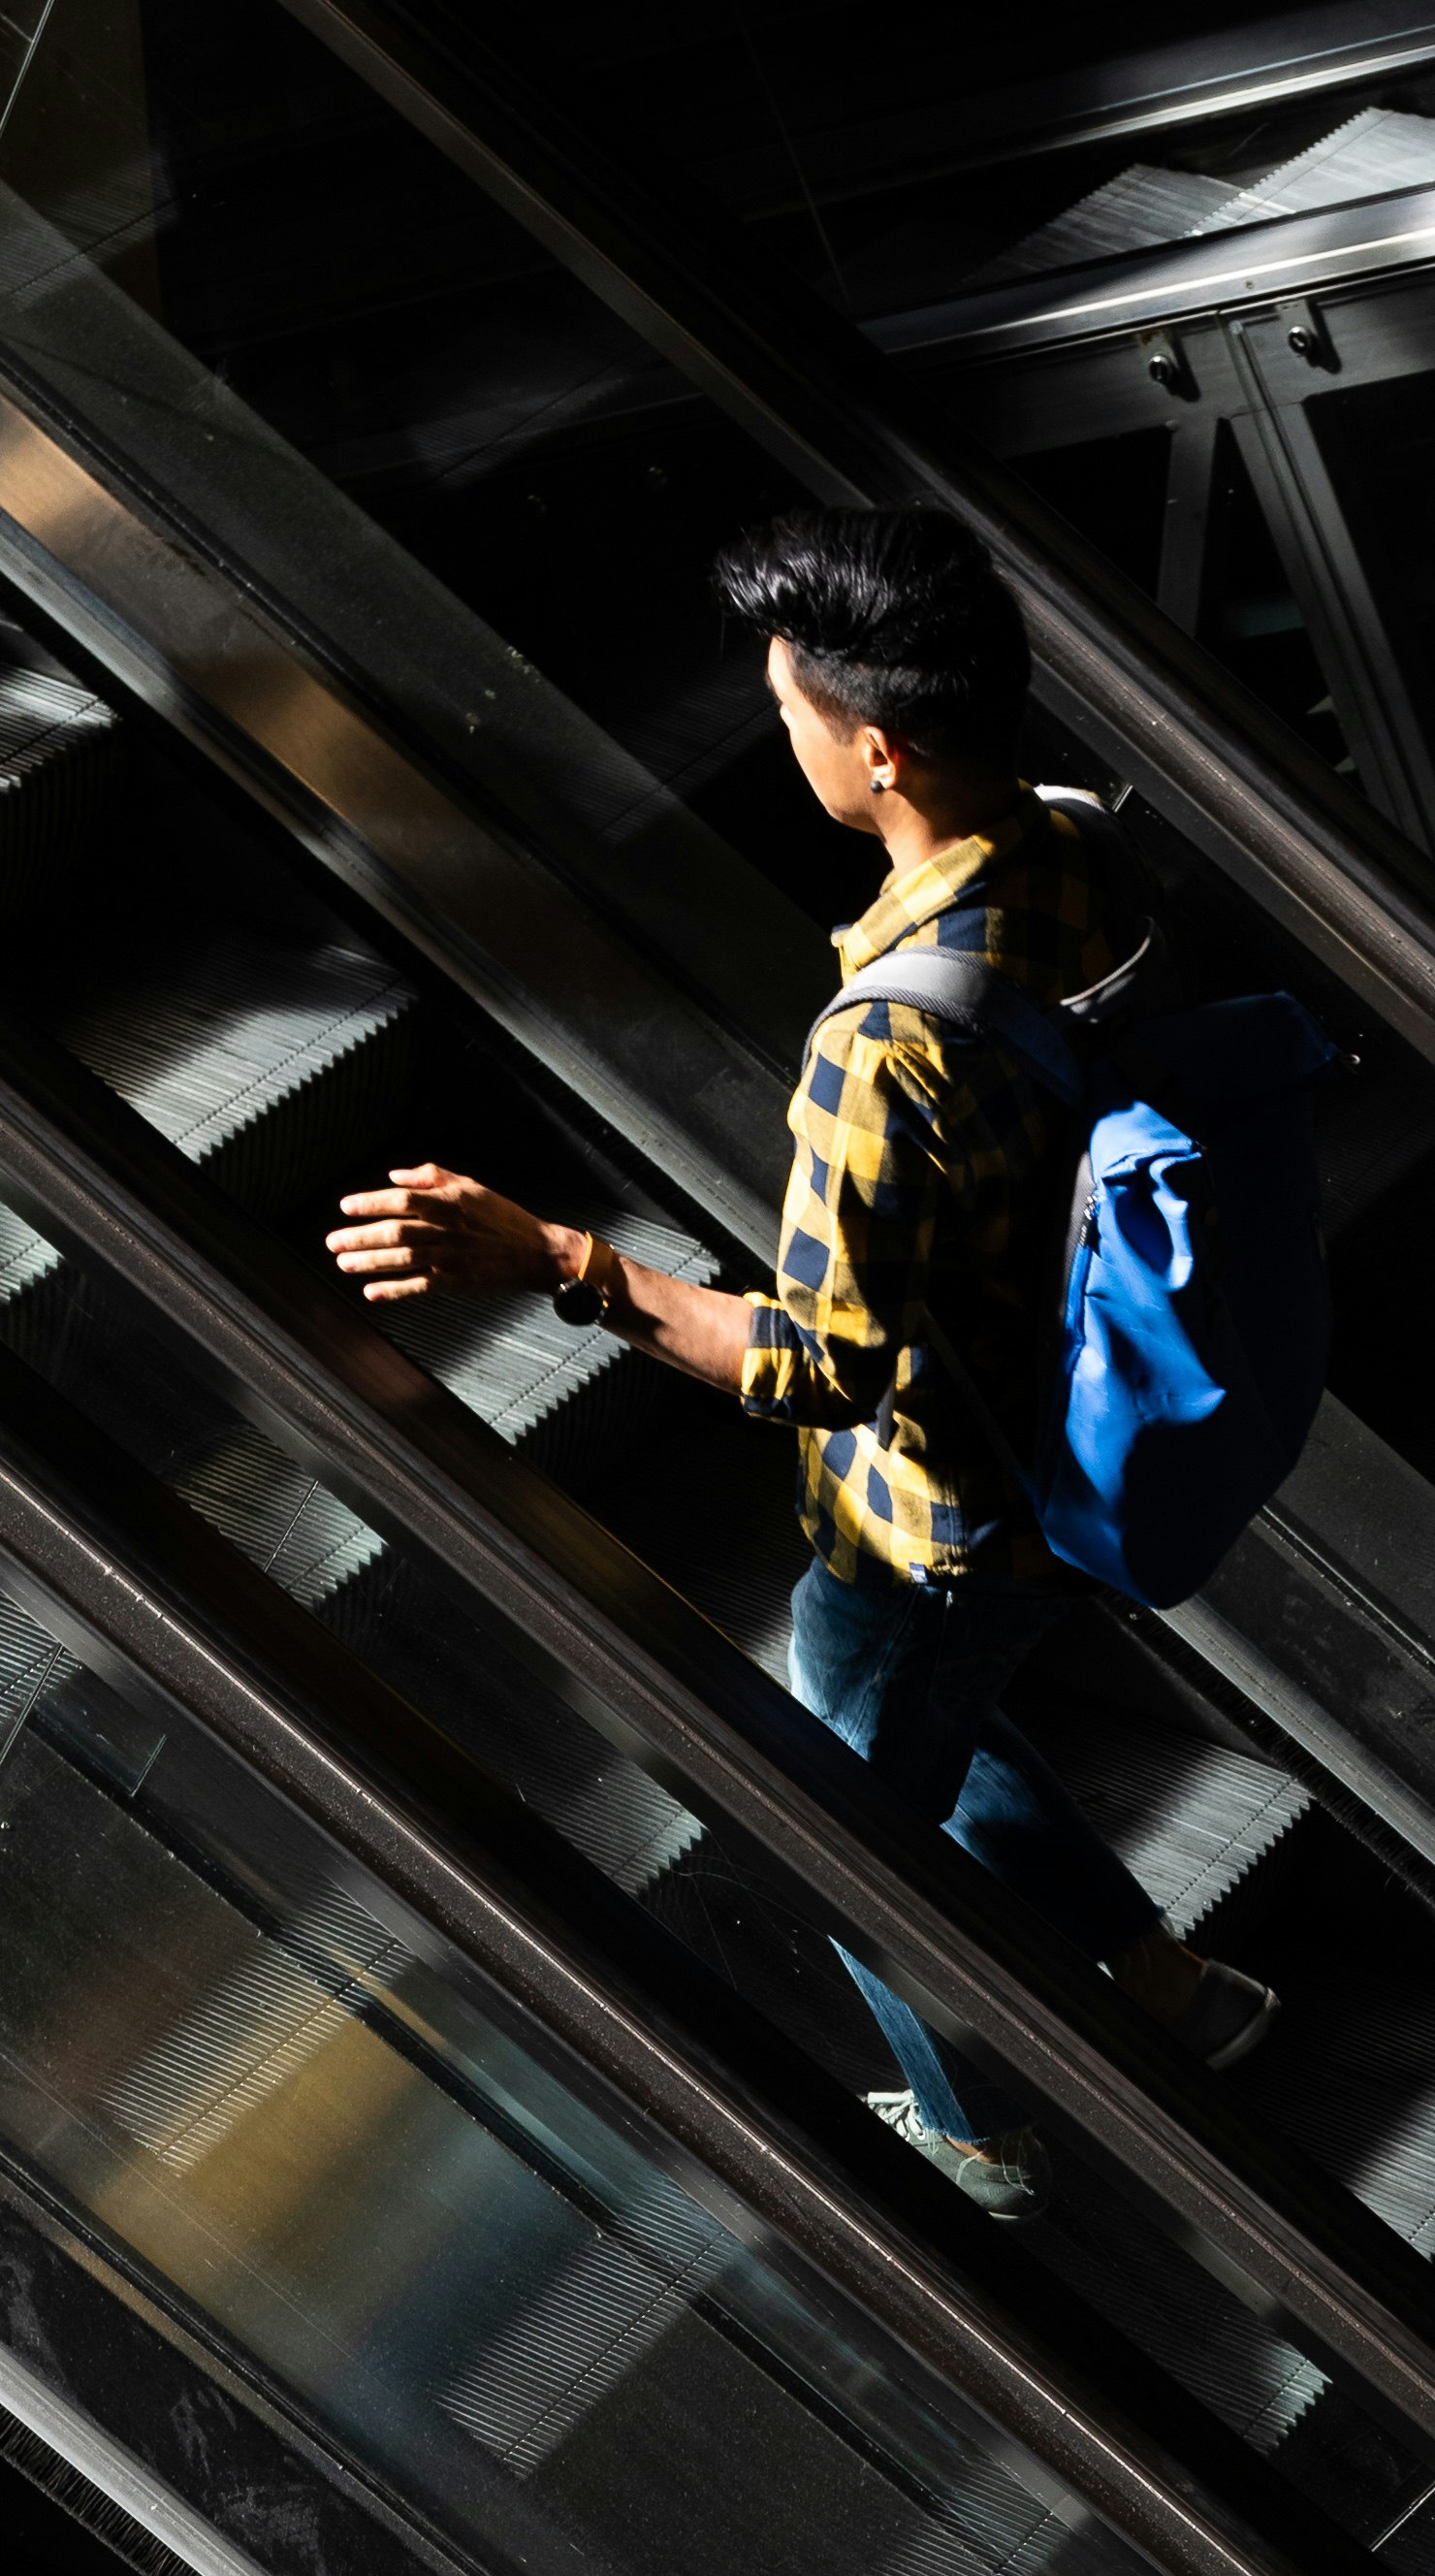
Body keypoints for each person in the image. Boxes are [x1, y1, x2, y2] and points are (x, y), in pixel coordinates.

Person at [324, 501, 1269, 2219]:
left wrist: (560, 1260)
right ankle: (1170, 1994)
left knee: (837, 1823)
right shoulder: (1074, 846)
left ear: (879, 748)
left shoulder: (886, 1042)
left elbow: (818, 1365)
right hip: (1070, 1421)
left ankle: (971, 2136)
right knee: (917, 1719)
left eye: (793, 709)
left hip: (934, 1507)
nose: (785, 732)